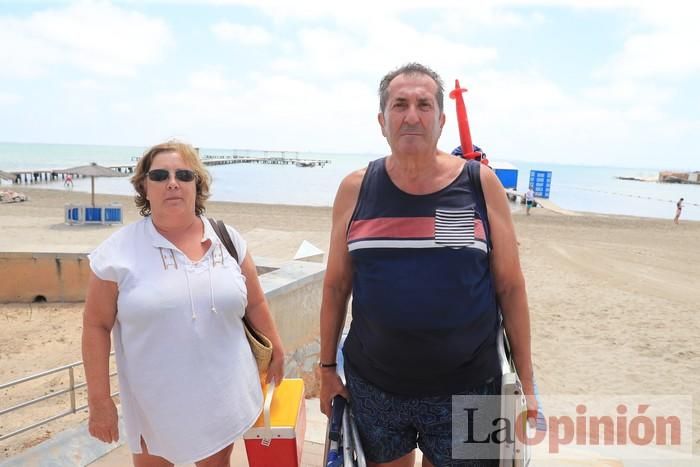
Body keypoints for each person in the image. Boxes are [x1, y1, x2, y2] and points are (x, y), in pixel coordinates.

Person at [319, 63, 536, 466]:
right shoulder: (355, 189)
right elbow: (335, 286)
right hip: (375, 387)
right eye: (399, 105)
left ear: (441, 119)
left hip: (470, 387)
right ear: (382, 121)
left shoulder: (477, 183)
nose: (412, 115)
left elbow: (510, 286)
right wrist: (327, 368)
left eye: (424, 104)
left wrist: (527, 381)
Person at [82, 140, 285, 466]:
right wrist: (99, 400)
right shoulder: (117, 253)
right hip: (155, 405)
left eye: (183, 175)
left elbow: (256, 302)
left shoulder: (228, 239)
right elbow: (96, 325)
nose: (172, 182)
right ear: (145, 187)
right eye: (160, 175)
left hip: (224, 395)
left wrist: (276, 348)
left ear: (197, 185)